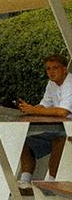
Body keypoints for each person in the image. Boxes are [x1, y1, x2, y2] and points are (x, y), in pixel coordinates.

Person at [17, 54, 72, 193]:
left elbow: (62, 112)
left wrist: (34, 110)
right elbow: (44, 105)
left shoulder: (70, 84)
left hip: (68, 130)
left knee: (60, 140)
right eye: (48, 69)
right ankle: (25, 182)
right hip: (59, 128)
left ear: (64, 69)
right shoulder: (51, 84)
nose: (51, 72)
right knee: (24, 142)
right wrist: (30, 109)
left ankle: (51, 183)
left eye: (55, 68)